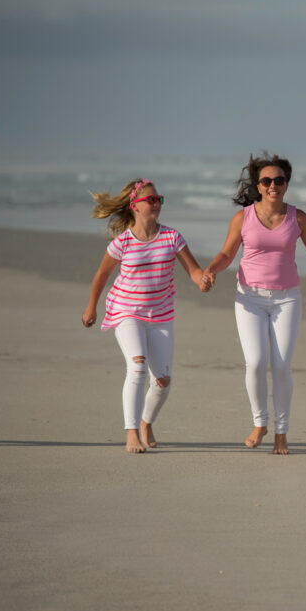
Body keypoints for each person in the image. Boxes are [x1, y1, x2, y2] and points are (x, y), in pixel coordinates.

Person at [202, 153, 306, 454]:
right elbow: (227, 254)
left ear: (287, 184)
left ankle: (281, 433)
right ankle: (260, 423)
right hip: (249, 298)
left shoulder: (298, 217)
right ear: (258, 185)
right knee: (255, 363)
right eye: (267, 181)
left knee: (281, 367)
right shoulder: (243, 218)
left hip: (287, 299)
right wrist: (210, 271)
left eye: (279, 180)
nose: (273, 186)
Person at [82, 178, 206, 454]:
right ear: (134, 206)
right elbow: (102, 274)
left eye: (159, 199)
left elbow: (193, 270)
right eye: (150, 200)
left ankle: (147, 422)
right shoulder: (123, 242)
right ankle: (131, 433)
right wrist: (92, 306)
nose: (156, 204)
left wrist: (203, 280)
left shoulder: (172, 237)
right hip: (126, 312)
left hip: (160, 315)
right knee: (138, 366)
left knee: (162, 380)